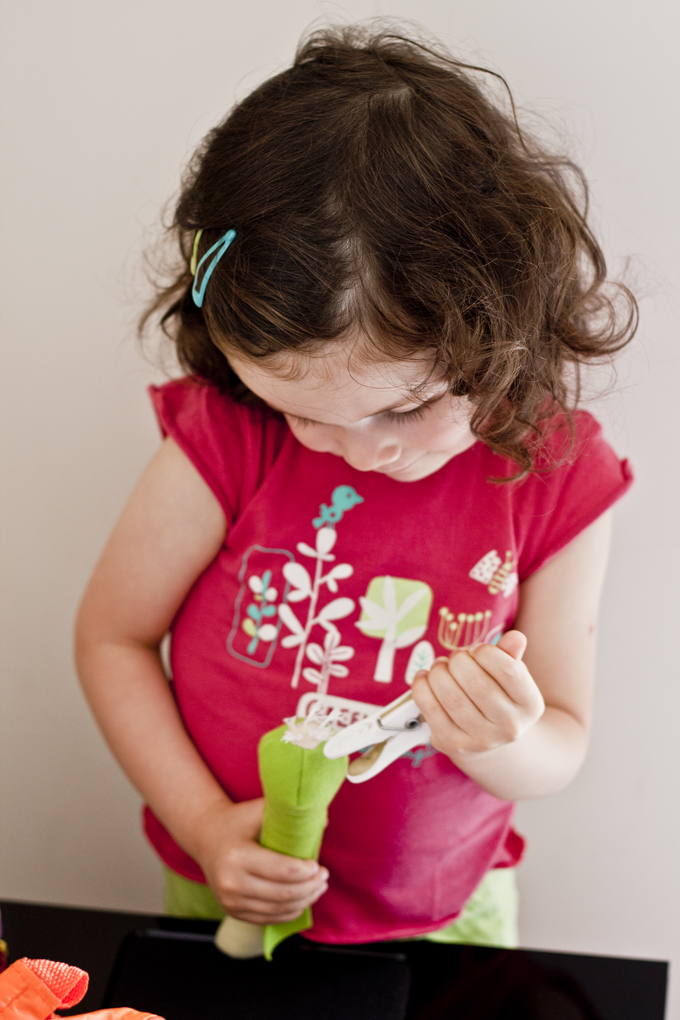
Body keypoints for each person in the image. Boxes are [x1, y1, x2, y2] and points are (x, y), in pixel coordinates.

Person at [75, 25, 636, 949]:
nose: (355, 452)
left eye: (403, 408)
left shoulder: (555, 477)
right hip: (226, 890)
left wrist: (504, 736)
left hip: (447, 922)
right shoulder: (230, 433)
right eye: (301, 412)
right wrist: (206, 828)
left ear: (499, 335)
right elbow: (112, 639)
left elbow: (561, 746)